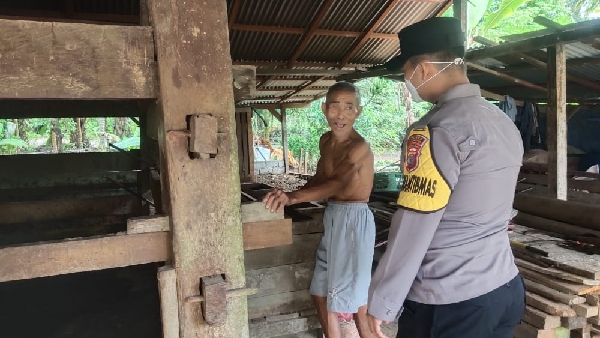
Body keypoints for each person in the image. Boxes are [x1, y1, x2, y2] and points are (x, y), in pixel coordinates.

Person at [366, 17, 526, 338]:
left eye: (406, 73)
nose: (408, 82)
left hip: (452, 300)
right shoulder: (501, 120)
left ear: (423, 69)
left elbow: (415, 224)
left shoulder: (435, 131)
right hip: (504, 285)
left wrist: (382, 301)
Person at [262, 81, 376, 338]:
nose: (341, 114)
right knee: (321, 292)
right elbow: (321, 179)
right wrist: (287, 197)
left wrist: (292, 197)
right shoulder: (325, 140)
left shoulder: (359, 147)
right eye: (335, 107)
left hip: (354, 219)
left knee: (352, 302)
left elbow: (337, 183)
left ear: (358, 112)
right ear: (324, 109)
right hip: (334, 215)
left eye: (349, 107)